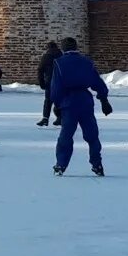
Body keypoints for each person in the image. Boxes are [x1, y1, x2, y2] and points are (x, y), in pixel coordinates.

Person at [48, 37, 111, 177]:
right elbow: (97, 82)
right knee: (92, 135)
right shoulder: (86, 62)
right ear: (76, 46)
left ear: (63, 48)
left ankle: (61, 164)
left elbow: (56, 87)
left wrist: (56, 104)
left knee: (66, 135)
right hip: (85, 101)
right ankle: (97, 164)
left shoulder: (59, 63)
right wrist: (104, 99)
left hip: (68, 102)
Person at [35, 39, 62, 127]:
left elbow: (40, 70)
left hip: (50, 82)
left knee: (48, 101)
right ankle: (60, 117)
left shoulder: (46, 56)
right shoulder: (61, 55)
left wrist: (41, 82)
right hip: (61, 82)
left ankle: (45, 118)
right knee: (59, 100)